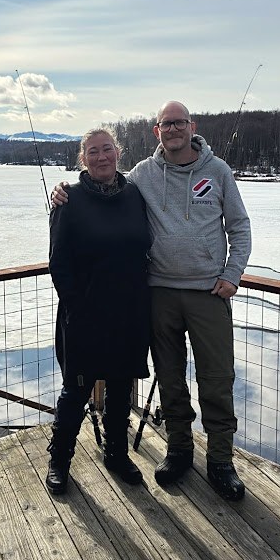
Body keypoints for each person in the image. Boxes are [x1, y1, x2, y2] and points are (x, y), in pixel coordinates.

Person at [52, 102, 251, 500]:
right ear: (157, 131)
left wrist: (231, 275)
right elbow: (63, 255)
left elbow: (240, 226)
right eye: (166, 124)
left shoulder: (206, 173)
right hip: (128, 302)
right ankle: (172, 450)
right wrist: (62, 190)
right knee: (158, 380)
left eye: (180, 122)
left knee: (211, 378)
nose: (102, 156)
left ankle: (217, 461)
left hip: (187, 296)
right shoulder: (126, 181)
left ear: (191, 126)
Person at [46, 128, 151, 495]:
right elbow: (58, 263)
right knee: (76, 390)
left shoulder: (134, 193)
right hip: (85, 314)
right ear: (82, 159)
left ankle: (116, 454)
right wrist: (78, 306)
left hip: (129, 310)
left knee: (121, 387)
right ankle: (59, 461)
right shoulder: (68, 200)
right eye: (93, 151)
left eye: (107, 149)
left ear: (118, 152)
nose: (102, 156)